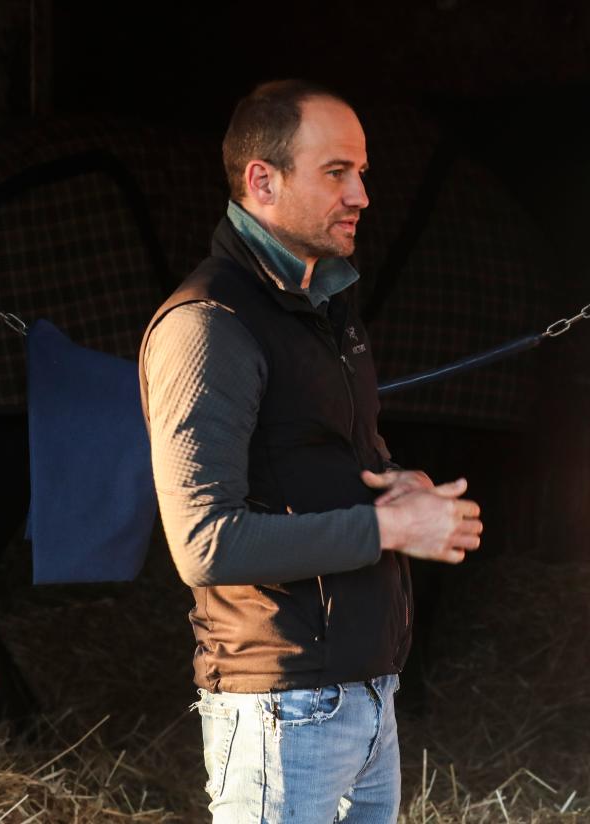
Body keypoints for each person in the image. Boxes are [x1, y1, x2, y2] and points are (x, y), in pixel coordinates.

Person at [139, 79, 483, 823]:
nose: (361, 194)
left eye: (362, 173)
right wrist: (390, 530)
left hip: (363, 693)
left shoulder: (321, 307)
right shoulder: (208, 324)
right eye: (336, 173)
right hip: (280, 708)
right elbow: (204, 544)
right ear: (262, 179)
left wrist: (397, 483)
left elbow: (325, 455)